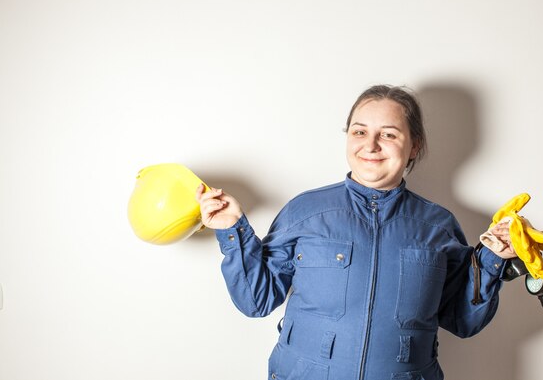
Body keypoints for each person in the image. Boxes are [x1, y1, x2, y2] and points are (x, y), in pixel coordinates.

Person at [196, 85, 514, 380]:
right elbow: (256, 300)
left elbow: (464, 321)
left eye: (388, 134)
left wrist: (493, 259)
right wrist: (231, 229)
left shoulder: (439, 226)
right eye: (359, 131)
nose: (370, 145)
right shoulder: (305, 212)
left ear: (414, 145)